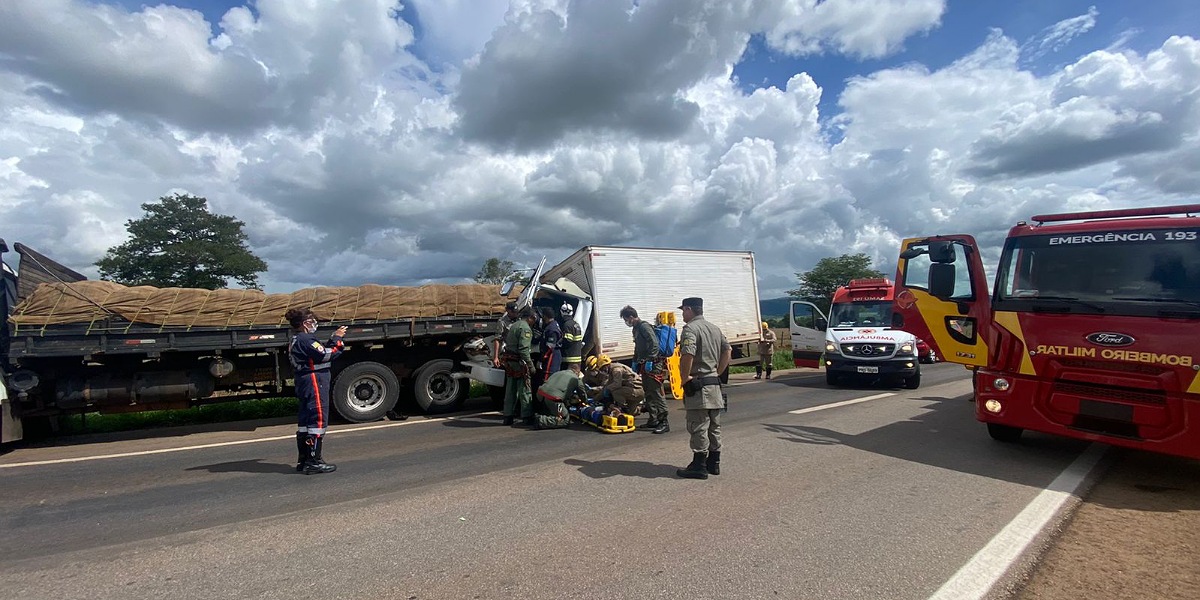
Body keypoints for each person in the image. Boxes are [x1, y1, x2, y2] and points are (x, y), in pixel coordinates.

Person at [285, 308, 348, 475]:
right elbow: (326, 354)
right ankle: (313, 461)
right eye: (312, 321)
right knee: (317, 419)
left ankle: (304, 460)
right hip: (314, 381)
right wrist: (337, 338)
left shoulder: (297, 339)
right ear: (305, 323)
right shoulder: (306, 339)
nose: (315, 324)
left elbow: (317, 352)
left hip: (304, 380)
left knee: (306, 422)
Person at [675, 297, 731, 480]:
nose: (682, 313)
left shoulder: (690, 329)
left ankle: (698, 465)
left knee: (698, 425)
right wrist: (718, 371)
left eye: (683, 310)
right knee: (714, 426)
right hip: (714, 384)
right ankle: (714, 463)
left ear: (689, 309)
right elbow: (727, 350)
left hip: (698, 385)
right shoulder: (714, 328)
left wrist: (684, 378)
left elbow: (687, 354)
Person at [620, 305, 669, 433]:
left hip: (653, 364)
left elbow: (654, 344)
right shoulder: (636, 329)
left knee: (656, 392)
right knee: (648, 392)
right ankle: (653, 419)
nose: (626, 322)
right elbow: (638, 347)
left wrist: (651, 360)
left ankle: (664, 421)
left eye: (626, 319)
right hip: (644, 363)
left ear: (631, 317)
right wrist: (635, 361)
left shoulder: (644, 327)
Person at [500, 307, 538, 426]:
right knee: (525, 389)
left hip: (509, 361)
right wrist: (531, 366)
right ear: (530, 317)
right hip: (519, 362)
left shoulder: (514, 325)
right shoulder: (525, 329)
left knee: (510, 390)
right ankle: (526, 416)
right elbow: (523, 349)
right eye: (534, 319)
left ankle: (508, 416)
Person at [532, 364, 588, 429]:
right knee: (565, 420)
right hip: (553, 399)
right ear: (577, 372)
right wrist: (585, 402)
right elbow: (582, 394)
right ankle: (541, 420)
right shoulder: (576, 379)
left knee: (553, 410)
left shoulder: (558, 372)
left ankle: (543, 414)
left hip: (540, 395)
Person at [491, 301, 519, 368]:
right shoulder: (502, 322)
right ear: (508, 311)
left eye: (516, 312)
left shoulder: (519, 319)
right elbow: (497, 339)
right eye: (513, 312)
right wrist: (496, 357)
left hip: (519, 351)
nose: (515, 314)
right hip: (508, 352)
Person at [538, 306, 563, 376]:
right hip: (552, 357)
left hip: (551, 358)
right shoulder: (553, 325)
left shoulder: (552, 329)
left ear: (545, 316)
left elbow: (550, 347)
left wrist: (541, 359)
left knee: (548, 379)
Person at [560, 302, 583, 371]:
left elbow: (568, 341)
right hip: (577, 358)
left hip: (569, 359)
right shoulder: (576, 324)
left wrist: (559, 344)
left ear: (561, 312)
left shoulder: (567, 325)